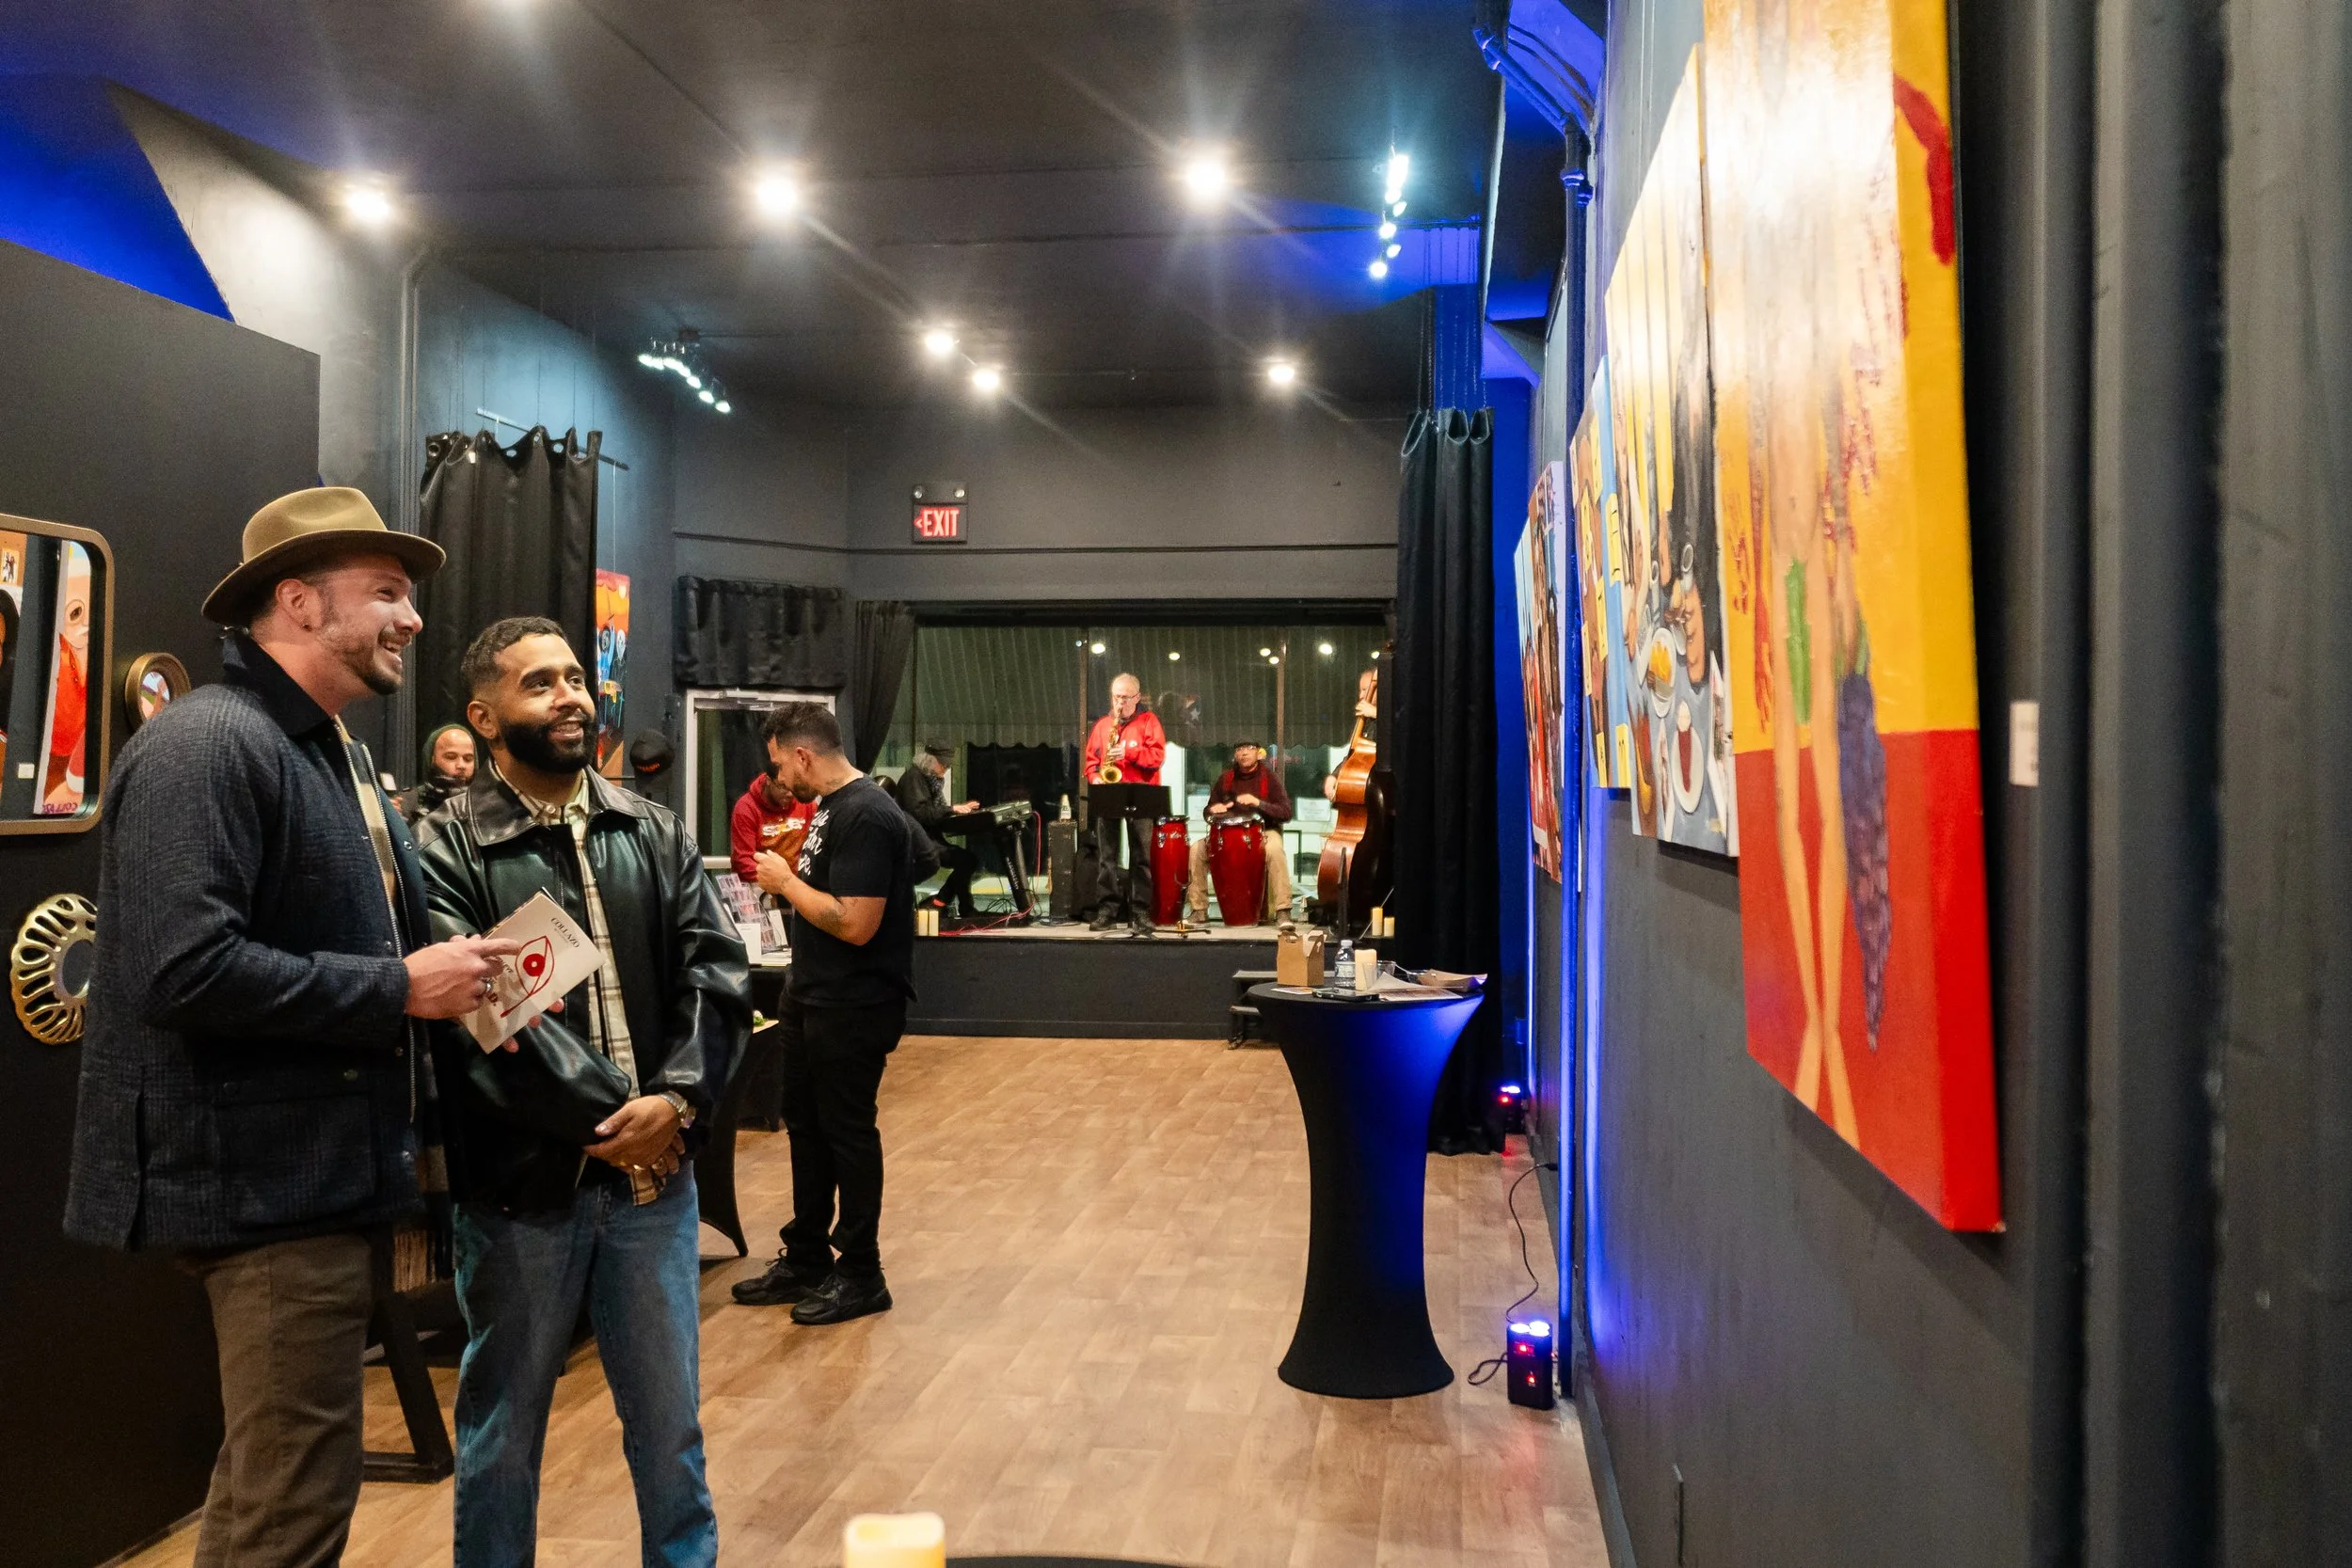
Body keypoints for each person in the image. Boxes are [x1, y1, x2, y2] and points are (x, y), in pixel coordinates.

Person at [65, 486, 516, 1568]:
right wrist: (396, 987)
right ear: (301, 601)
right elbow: (181, 968)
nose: (413, 616)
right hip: (262, 1187)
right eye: (388, 592)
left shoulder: (324, 750)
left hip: (312, 1178)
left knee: (272, 1484)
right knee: (292, 1502)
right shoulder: (208, 744)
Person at [415, 616, 749, 1568]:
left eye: (573, 676)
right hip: (521, 1193)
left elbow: (716, 973)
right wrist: (615, 1119)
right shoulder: (443, 847)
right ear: (484, 717)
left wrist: (675, 1101)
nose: (569, 695)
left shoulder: (653, 828)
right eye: (539, 683)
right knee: (502, 1433)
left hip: (654, 1187)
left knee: (671, 1431)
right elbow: (482, 1019)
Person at [732, 702, 917, 1324]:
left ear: (803, 755)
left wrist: (784, 882)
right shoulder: (833, 809)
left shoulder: (867, 814)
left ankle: (862, 1272)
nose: (780, 779)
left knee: (847, 1132)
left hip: (855, 1003)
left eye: (781, 765)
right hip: (811, 993)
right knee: (806, 1128)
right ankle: (808, 1255)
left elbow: (856, 923)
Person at [1082, 672, 1166, 934]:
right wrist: (1095, 777)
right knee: (1107, 857)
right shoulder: (1103, 725)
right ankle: (1107, 911)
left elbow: (1157, 757)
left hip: (1141, 794)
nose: (1120, 703)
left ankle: (1140, 912)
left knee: (1141, 858)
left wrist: (1129, 752)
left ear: (1137, 697)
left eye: (1126, 698)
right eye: (1116, 697)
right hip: (1109, 794)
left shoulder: (1149, 721)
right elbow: (1090, 761)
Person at [1187, 741, 1295, 925]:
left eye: (1249, 749)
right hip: (1227, 835)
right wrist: (1213, 810)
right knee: (1196, 850)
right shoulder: (1226, 778)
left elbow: (1285, 813)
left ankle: (1283, 910)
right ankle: (1199, 909)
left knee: (1275, 850)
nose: (1244, 753)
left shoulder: (1269, 778)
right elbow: (1208, 811)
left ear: (1258, 754)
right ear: (1235, 755)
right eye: (1239, 749)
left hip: (1263, 832)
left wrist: (1257, 803)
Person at [893, 740, 983, 921]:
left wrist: (958, 812)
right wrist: (951, 810)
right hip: (918, 842)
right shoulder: (914, 778)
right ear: (930, 761)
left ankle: (946, 904)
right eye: (944, 764)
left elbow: (933, 813)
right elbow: (921, 813)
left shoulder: (930, 780)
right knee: (964, 860)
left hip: (929, 839)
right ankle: (945, 904)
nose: (947, 768)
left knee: (967, 860)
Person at [728, 743, 818, 882]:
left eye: (792, 785)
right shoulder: (746, 808)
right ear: (768, 780)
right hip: (759, 885)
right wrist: (780, 881)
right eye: (782, 787)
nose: (790, 793)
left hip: (798, 884)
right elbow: (743, 861)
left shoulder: (807, 804)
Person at [397, 721, 477, 824]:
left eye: (468, 759)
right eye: (451, 757)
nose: (461, 765)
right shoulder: (406, 804)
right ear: (431, 759)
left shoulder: (488, 803)